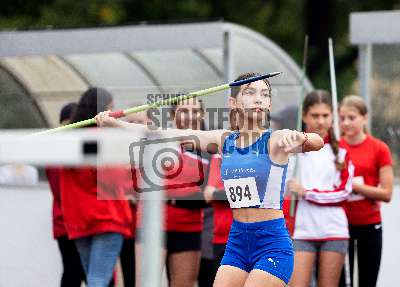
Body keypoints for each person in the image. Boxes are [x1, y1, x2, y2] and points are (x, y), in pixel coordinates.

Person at [95, 72, 324, 287]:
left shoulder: (277, 139)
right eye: (250, 92)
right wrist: (116, 123)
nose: (258, 99)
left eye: (264, 94)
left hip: (271, 245)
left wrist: (301, 136)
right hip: (237, 244)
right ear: (233, 103)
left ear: (269, 104)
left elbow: (316, 142)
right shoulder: (224, 140)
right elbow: (164, 133)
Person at [60, 87, 134, 287]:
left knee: (94, 278)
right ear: (103, 110)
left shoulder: (69, 138)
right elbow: (114, 178)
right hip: (107, 218)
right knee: (98, 280)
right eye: (111, 108)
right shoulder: (102, 137)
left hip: (78, 220)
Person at [135, 97, 210, 287]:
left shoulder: (210, 146)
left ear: (202, 114)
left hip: (189, 225)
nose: (190, 116)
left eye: (195, 111)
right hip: (153, 221)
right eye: (184, 111)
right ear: (172, 115)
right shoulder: (160, 139)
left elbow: (210, 189)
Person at [285, 90, 354, 287]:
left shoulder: (341, 151)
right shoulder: (293, 151)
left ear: (333, 117)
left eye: (325, 115)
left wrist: (307, 193)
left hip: (334, 230)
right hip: (301, 231)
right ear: (304, 116)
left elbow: (344, 193)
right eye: (315, 116)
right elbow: (282, 187)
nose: (320, 121)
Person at [339, 95, 393, 287]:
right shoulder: (335, 147)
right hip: (341, 226)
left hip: (370, 225)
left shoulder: (379, 149)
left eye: (351, 118)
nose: (346, 123)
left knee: (367, 281)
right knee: (343, 282)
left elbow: (387, 193)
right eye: (342, 118)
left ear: (364, 118)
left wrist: (355, 186)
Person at [46, 102, 87, 287]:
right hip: (66, 223)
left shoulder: (85, 149)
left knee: (82, 272)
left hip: (83, 222)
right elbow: (61, 191)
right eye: (68, 123)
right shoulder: (56, 152)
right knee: (73, 271)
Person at [203, 153, 233, 282]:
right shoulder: (219, 157)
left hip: (248, 237)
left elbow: (251, 193)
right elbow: (208, 195)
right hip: (221, 237)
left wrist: (218, 193)